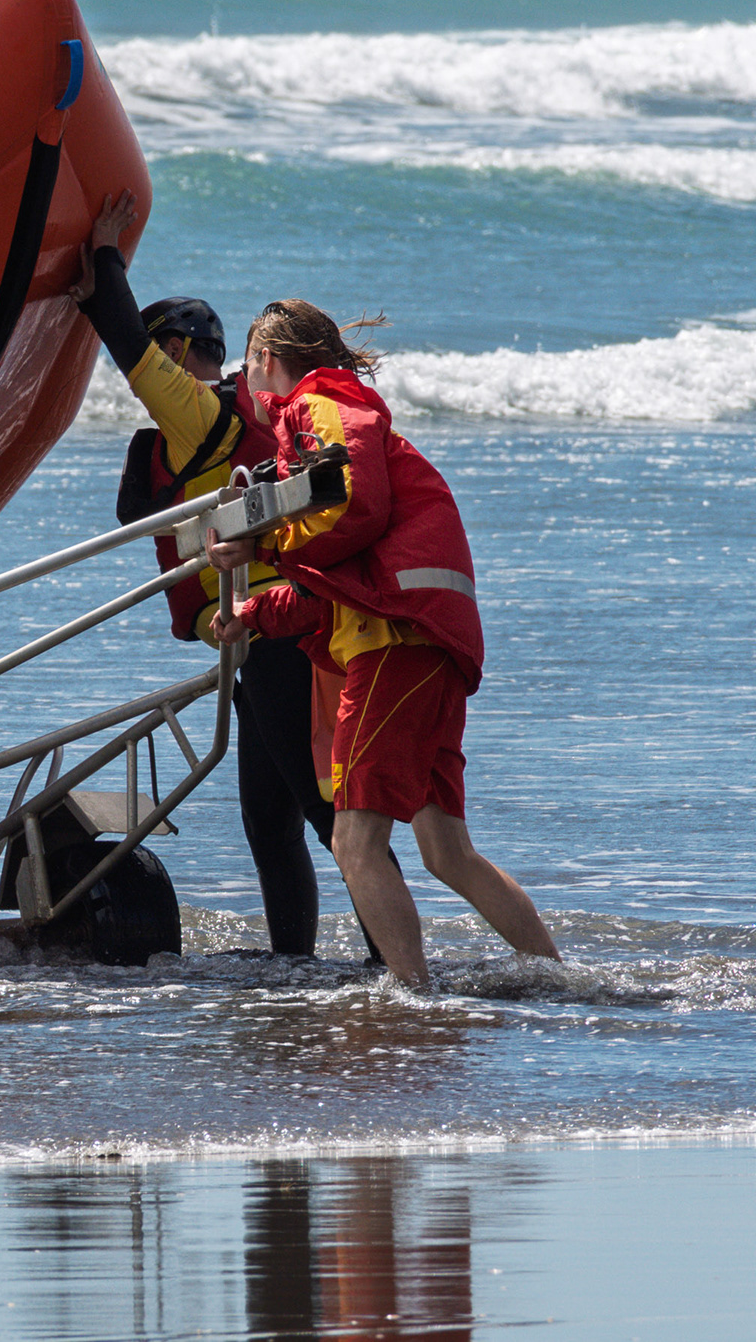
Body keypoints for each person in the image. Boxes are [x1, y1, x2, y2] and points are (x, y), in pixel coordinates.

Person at [206, 298, 561, 989]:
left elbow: (352, 504)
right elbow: (334, 584)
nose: (243, 384)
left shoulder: (322, 403)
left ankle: (413, 997)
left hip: (397, 641)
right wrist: (253, 611)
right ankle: (561, 979)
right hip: (420, 633)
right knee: (446, 850)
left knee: (354, 839)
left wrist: (262, 538)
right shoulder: (311, 433)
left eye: (245, 366)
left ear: (265, 362)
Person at [74, 192, 367, 960]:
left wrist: (101, 253)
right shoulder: (224, 426)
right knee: (272, 820)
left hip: (275, 635)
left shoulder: (200, 418)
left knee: (321, 814)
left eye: (175, 352)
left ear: (179, 350)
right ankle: (295, 965)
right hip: (261, 637)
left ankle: (387, 963)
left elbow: (127, 346)